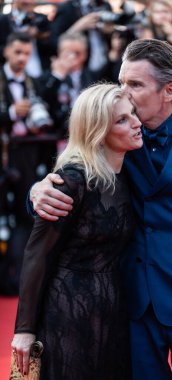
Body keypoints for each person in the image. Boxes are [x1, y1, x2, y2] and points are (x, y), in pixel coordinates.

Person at [28, 39, 172, 380]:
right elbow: (76, 170)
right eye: (121, 82)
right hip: (132, 305)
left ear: (169, 90)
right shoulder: (118, 136)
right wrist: (38, 190)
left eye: (135, 84)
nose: (124, 93)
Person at [11, 83, 142, 379]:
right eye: (122, 119)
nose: (136, 122)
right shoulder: (72, 180)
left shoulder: (128, 173)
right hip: (67, 312)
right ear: (98, 131)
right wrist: (25, 330)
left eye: (132, 113)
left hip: (113, 310)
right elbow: (37, 254)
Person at [0, 32, 54, 295]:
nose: (22, 58)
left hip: (26, 156)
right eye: (17, 52)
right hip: (4, 155)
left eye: (27, 54)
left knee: (25, 217)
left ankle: (17, 279)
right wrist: (11, 113)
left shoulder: (33, 83)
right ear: (6, 52)